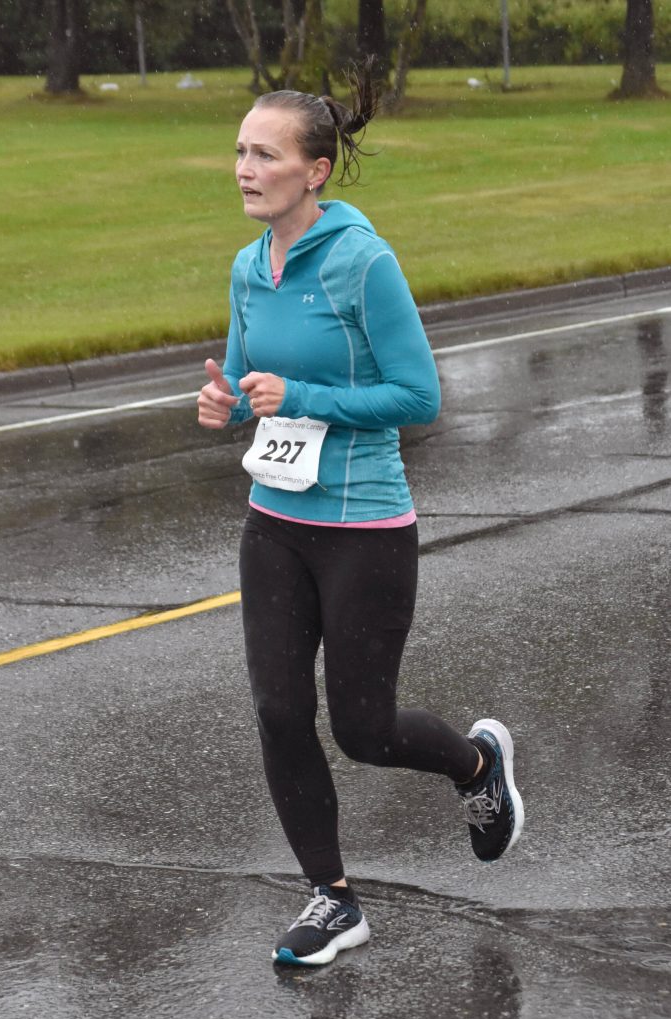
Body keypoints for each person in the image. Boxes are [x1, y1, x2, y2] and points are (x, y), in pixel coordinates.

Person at [197, 64, 524, 968]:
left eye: (264, 154)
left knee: (363, 728)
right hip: (273, 516)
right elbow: (238, 376)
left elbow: (418, 395)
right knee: (276, 708)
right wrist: (223, 403)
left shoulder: (361, 261)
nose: (243, 168)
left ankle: (474, 766)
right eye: (238, 151)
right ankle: (332, 898)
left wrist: (300, 391)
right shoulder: (246, 266)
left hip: (363, 524)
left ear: (316, 172)